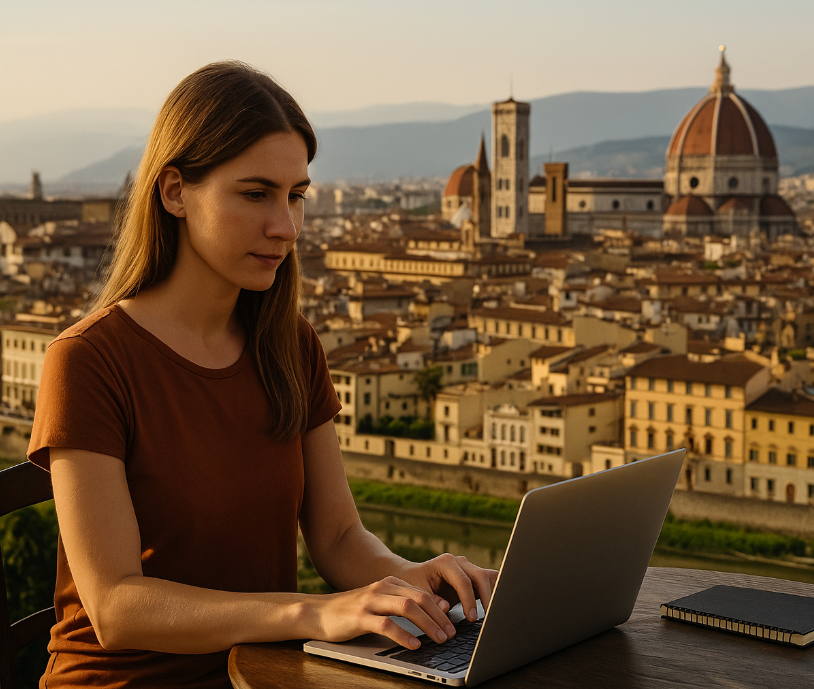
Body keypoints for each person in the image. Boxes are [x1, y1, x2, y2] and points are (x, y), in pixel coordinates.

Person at [27, 61, 496, 689]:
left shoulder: (290, 344)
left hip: (263, 675)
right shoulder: (88, 360)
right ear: (173, 193)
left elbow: (336, 536)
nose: (286, 227)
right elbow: (115, 608)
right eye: (255, 195)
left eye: (295, 196)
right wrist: (316, 613)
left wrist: (410, 577)